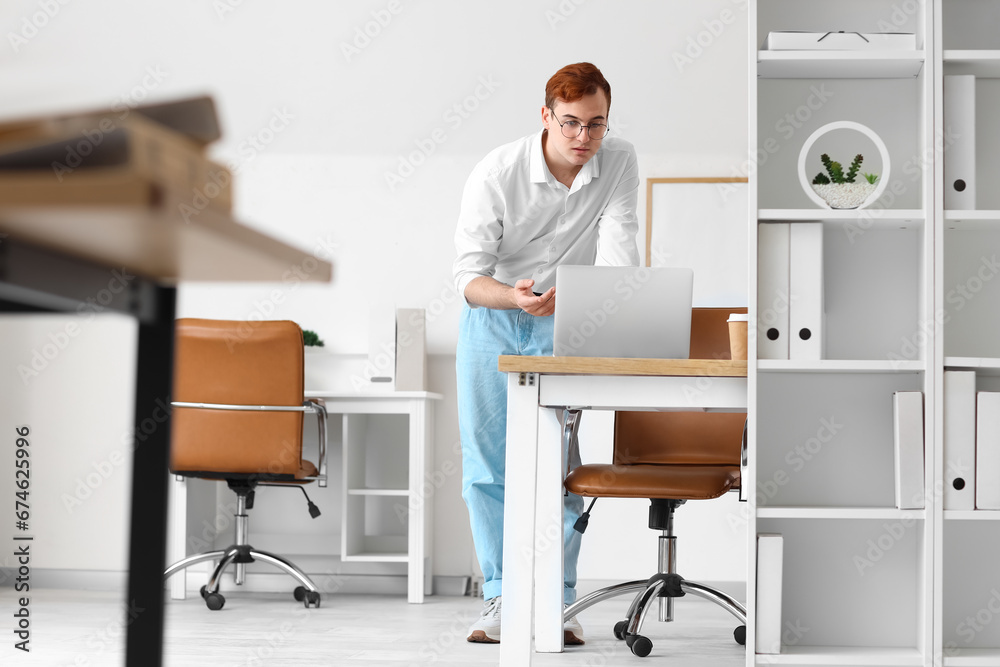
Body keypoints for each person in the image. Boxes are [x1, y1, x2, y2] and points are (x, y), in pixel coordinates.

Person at [453, 62, 639, 644]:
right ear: (546, 117)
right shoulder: (497, 172)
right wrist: (513, 296)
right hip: (494, 319)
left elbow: (620, 258)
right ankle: (501, 598)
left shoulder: (619, 161)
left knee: (561, 472)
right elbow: (467, 277)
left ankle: (558, 600)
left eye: (596, 124)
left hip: (569, 322)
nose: (584, 138)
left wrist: (608, 309)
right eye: (571, 124)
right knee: (489, 468)